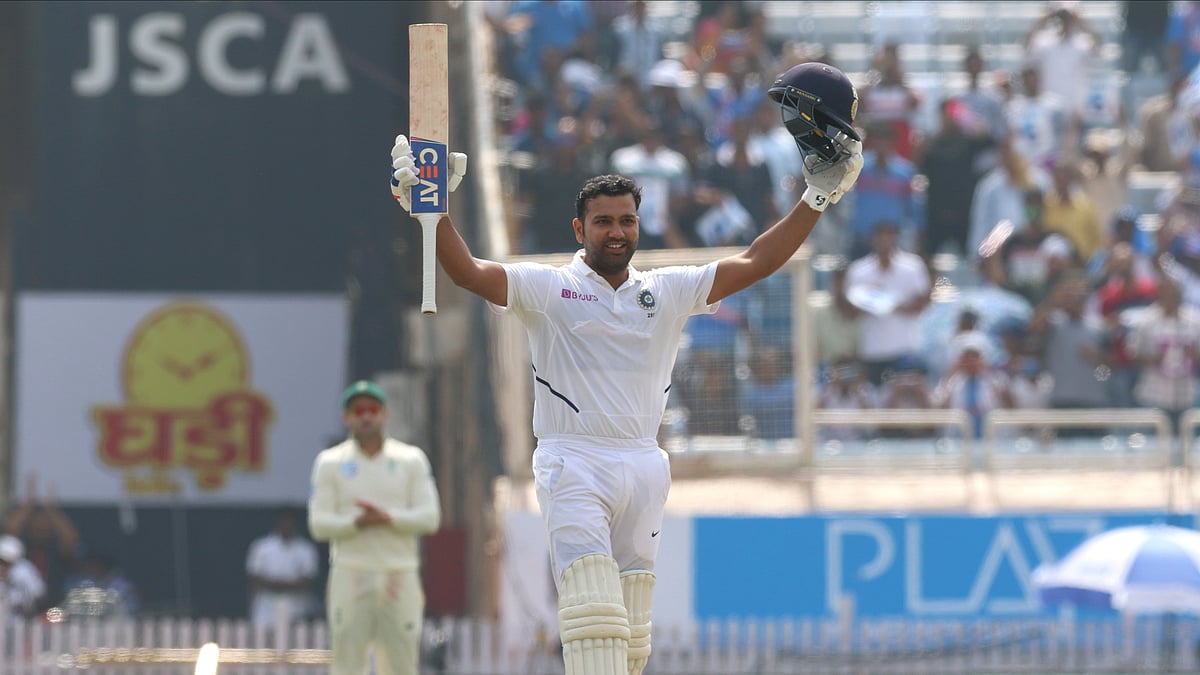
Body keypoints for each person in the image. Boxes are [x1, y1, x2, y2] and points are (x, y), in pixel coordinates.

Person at [392, 61, 864, 675]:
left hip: (644, 461)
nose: (616, 233)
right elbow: (469, 273)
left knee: (632, 644)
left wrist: (817, 196)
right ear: (579, 228)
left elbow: (756, 261)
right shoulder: (548, 287)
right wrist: (432, 213)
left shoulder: (665, 290)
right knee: (593, 626)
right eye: (604, 223)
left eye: (626, 221)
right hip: (573, 460)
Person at [307, 381, 441, 675]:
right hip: (351, 571)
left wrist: (389, 518)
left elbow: (430, 518)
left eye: (372, 409)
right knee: (347, 664)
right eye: (358, 410)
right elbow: (318, 525)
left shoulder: (410, 460)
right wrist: (356, 523)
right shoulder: (331, 462)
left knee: (401, 665)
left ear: (384, 414)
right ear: (347, 418)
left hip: (399, 573)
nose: (366, 416)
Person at [246, 508, 320, 629]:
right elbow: (255, 578)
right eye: (283, 521)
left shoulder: (306, 549)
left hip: (297, 611)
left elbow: (308, 580)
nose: (286, 525)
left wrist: (277, 584)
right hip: (265, 612)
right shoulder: (261, 547)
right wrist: (286, 584)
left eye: (290, 522)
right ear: (277, 522)